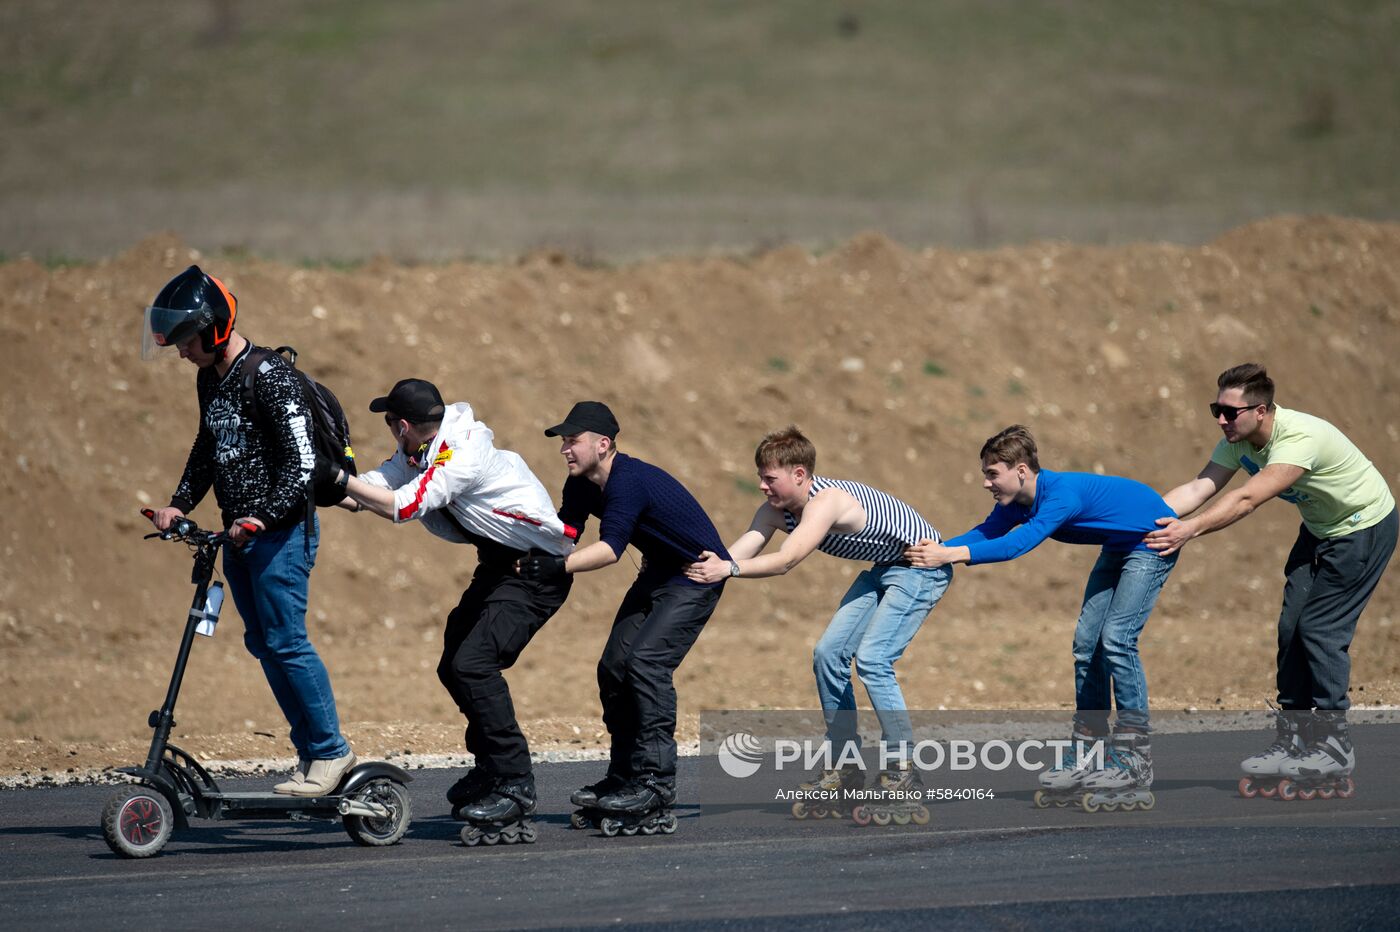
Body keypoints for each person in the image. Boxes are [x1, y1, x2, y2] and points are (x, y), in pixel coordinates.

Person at [329, 378, 575, 844]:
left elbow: (405, 505)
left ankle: (515, 782)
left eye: (388, 424)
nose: (389, 433)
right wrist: (322, 483)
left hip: (538, 571)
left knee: (474, 663)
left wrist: (342, 481)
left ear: (403, 426)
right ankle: (491, 767)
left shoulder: (460, 452)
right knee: (453, 664)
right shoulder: (419, 450)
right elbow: (376, 487)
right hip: (500, 566)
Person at [143, 265, 355, 796]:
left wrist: (261, 517)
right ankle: (311, 756)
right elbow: (208, 447)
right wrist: (177, 503)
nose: (180, 351)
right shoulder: (209, 377)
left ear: (214, 329)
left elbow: (302, 464)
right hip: (237, 537)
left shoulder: (271, 376)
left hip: (280, 536)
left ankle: (331, 752)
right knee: (264, 643)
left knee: (287, 642)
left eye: (186, 341)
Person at [1147, 364, 1396, 792]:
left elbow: (1245, 499)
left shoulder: (1299, 439)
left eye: (1230, 412)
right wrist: (1137, 520)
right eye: (1215, 410)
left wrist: (1189, 530)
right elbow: (1200, 487)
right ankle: (1296, 737)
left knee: (1320, 629)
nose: (1221, 420)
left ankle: (1335, 743)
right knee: (1289, 628)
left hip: (1363, 527)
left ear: (1261, 411)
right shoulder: (1237, 441)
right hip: (1320, 529)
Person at [906, 425, 1178, 810]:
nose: (985, 483)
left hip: (1152, 541)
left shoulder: (1059, 496)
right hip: (1118, 545)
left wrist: (949, 556)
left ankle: (1134, 755)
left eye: (991, 473)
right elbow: (987, 532)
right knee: (1087, 644)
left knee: (1117, 638)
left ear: (1021, 470)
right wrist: (932, 549)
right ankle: (1089, 749)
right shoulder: (1015, 503)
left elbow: (1017, 544)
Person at [685, 426, 952, 810]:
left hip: (923, 568)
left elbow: (786, 560)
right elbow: (745, 547)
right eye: (760, 476)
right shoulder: (777, 509)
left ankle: (903, 767)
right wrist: (709, 566)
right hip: (884, 568)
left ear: (799, 475)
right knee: (828, 653)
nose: (761, 486)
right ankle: (845, 765)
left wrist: (728, 570)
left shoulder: (826, 501)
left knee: (874, 660)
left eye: (769, 478)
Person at [516, 401, 729, 835]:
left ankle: (655, 782)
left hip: (696, 577)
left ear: (603, 443)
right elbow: (565, 535)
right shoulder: (580, 484)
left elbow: (611, 550)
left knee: (646, 664)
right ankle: (625, 775)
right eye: (563, 442)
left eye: (572, 441)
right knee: (613, 666)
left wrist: (557, 568)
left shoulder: (627, 481)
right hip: (657, 575)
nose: (565, 450)